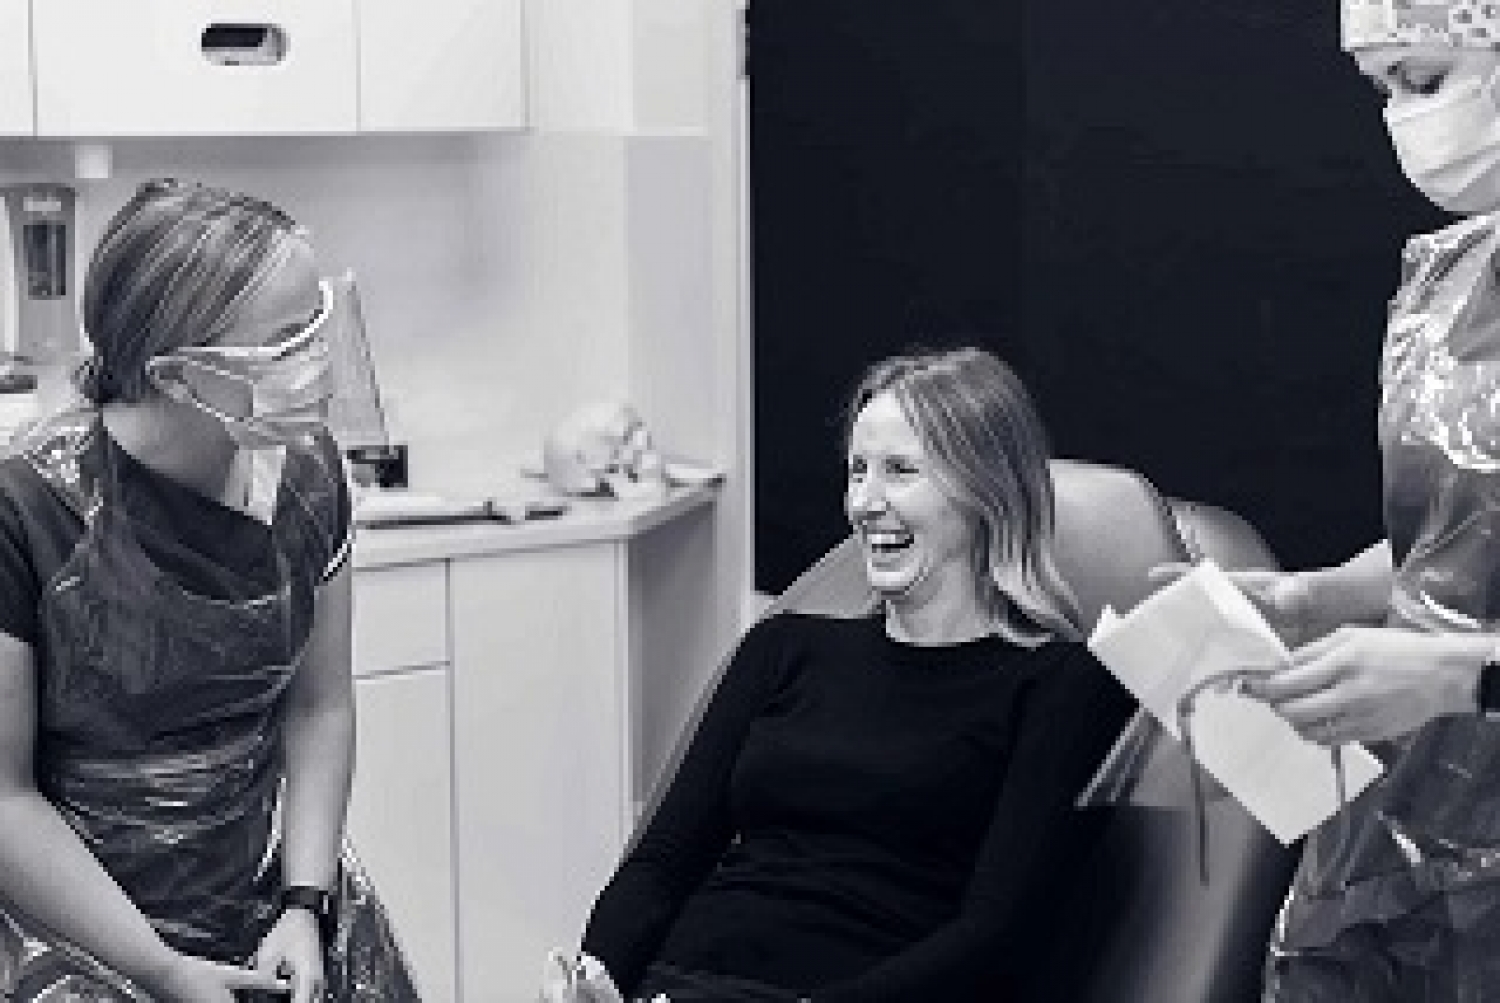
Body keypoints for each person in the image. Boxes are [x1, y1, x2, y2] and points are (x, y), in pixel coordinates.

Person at [555, 347, 1136, 1002]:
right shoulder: (783, 649)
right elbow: (661, 864)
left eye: (900, 471)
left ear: (986, 492)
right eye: (857, 470)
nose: (864, 502)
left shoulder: (1063, 685)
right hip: (677, 983)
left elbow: (997, 936)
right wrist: (593, 975)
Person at [1148, 4, 1500, 998]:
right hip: (1407, 820)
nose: (1401, 117)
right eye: (1380, 88)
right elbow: (1458, 532)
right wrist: (1320, 597)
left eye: (1423, 79)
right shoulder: (1446, 282)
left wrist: (1460, 673)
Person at [0, 179, 417, 1002]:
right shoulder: (28, 509)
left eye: (316, 326)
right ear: (176, 375)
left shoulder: (308, 472)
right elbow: (4, 797)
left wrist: (304, 902)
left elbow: (319, 705)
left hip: (273, 909)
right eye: (285, 343)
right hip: (77, 933)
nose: (316, 361)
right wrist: (158, 968)